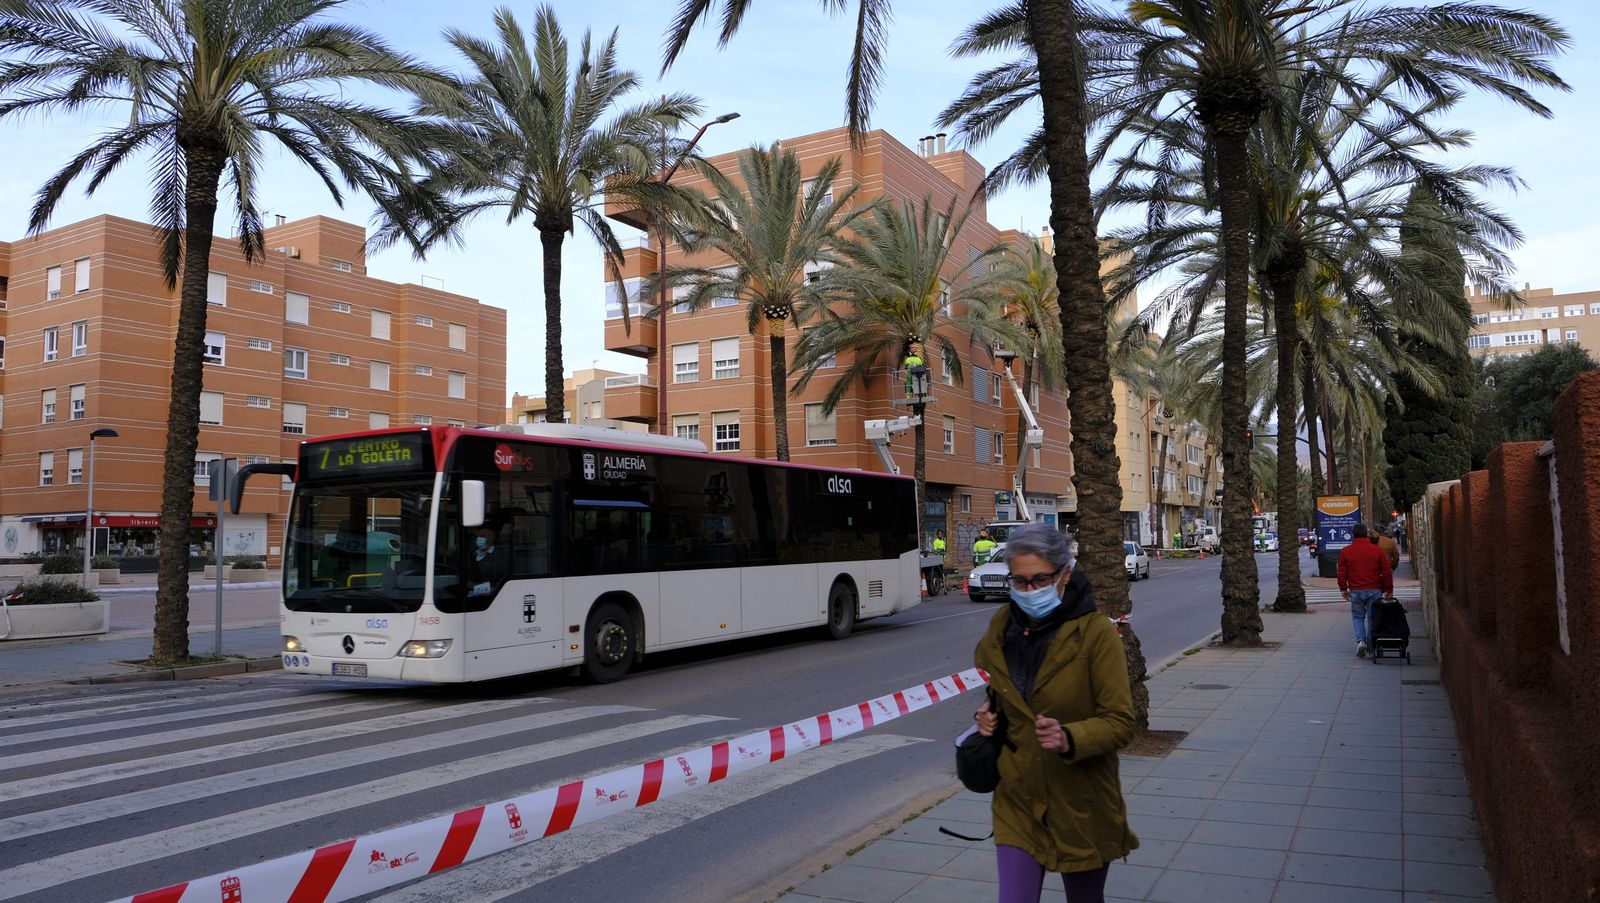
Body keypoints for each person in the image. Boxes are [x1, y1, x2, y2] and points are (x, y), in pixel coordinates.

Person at [972, 523, 1137, 902]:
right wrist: (987, 714)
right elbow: (1002, 689)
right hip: (1018, 798)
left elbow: (1120, 721)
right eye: (1019, 581)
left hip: (1080, 801)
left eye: (1038, 580)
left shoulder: (1096, 634)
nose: (1028, 591)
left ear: (1064, 574)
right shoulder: (1002, 626)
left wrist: (1069, 737)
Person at [1338, 522, 1393, 658]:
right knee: (1372, 618)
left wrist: (1343, 589)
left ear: (1353, 534)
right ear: (1366, 534)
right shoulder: (1377, 550)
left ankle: (1360, 641)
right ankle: (1370, 648)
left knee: (1357, 617)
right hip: (1375, 589)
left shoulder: (1346, 551)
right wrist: (1389, 589)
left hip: (1356, 589)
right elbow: (1386, 571)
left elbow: (1341, 572)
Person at [467, 526, 508, 596]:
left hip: (490, 596)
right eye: (477, 536)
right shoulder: (472, 554)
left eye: (482, 536)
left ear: (492, 538)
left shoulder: (501, 556)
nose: (479, 538)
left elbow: (502, 578)